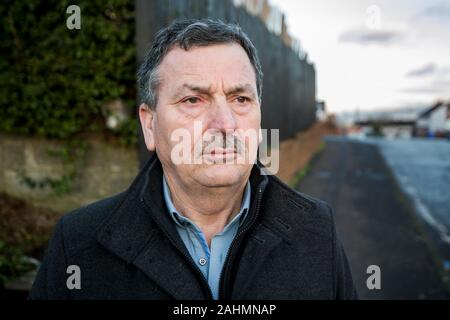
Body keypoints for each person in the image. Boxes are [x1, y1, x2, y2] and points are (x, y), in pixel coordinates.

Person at [29, 18, 357, 300]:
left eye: (240, 98)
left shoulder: (316, 230)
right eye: (193, 100)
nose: (225, 124)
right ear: (150, 124)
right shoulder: (78, 246)